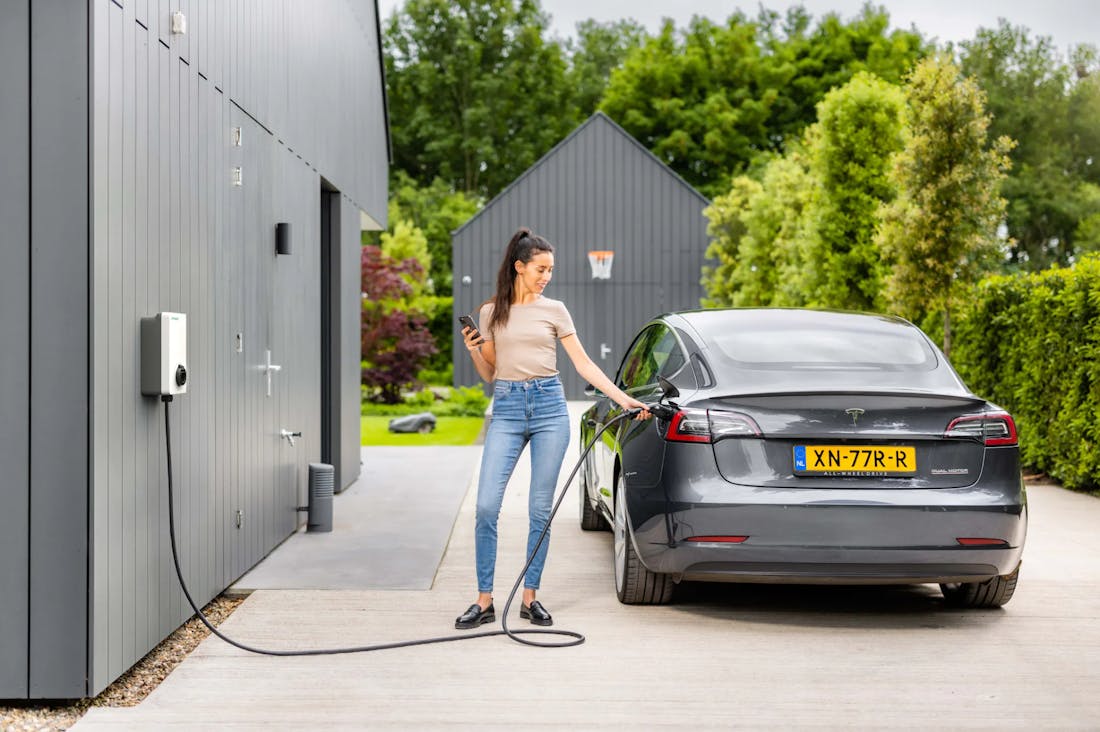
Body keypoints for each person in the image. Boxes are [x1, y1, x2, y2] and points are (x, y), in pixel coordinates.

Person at [455, 227, 650, 630]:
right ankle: (484, 599)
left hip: (548, 409)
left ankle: (530, 597)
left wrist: (623, 398)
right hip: (508, 408)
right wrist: (475, 348)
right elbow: (491, 374)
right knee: (487, 506)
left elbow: (584, 364)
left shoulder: (555, 310)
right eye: (541, 269)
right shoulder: (492, 312)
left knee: (540, 509)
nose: (547, 276)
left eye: (551, 270)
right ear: (519, 267)